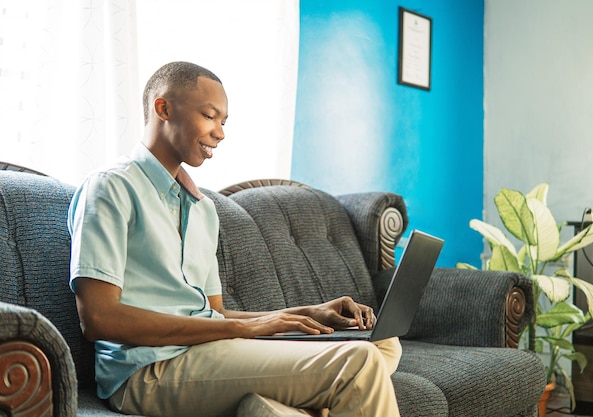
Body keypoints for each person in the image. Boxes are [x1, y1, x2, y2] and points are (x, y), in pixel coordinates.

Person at [68, 61, 402, 417]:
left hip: (210, 350)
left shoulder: (202, 208)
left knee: (384, 344)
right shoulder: (110, 188)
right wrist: (244, 327)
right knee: (360, 361)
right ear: (163, 108)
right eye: (210, 116)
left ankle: (267, 410)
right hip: (147, 370)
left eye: (223, 122)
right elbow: (99, 319)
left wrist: (306, 313)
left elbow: (215, 313)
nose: (220, 133)